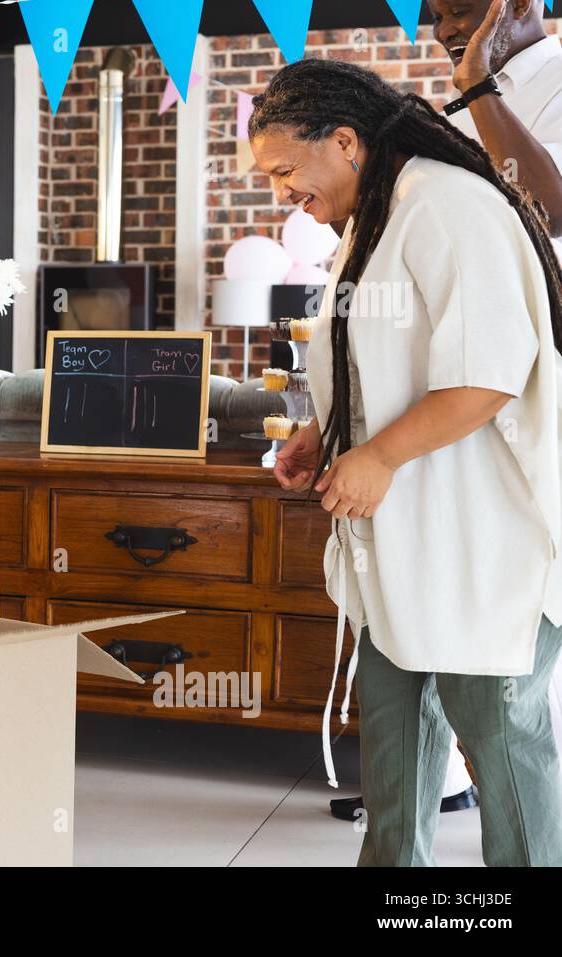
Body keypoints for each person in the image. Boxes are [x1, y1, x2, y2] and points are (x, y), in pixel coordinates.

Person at [250, 59, 562, 865]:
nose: (282, 192)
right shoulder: (372, 214)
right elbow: (384, 357)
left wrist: (381, 454)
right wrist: (329, 431)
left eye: (286, 170)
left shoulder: (448, 205)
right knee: (393, 739)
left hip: (479, 542)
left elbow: (492, 371)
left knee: (499, 743)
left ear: (346, 141)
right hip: (402, 543)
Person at [329, 0, 562, 828]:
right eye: (429, 14)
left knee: (508, 710)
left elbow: (551, 211)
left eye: (460, 6)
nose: (439, 26)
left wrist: (475, 88)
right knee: (415, 683)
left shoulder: (541, 88)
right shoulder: (436, 159)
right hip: (458, 437)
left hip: (529, 404)